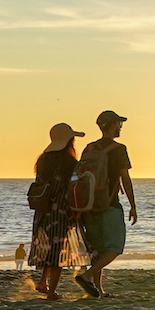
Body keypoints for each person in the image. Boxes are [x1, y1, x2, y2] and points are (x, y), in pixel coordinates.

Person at [73, 110, 138, 298]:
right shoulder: (119, 149)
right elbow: (125, 178)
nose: (120, 128)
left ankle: (98, 289)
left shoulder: (90, 148)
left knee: (98, 249)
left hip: (88, 205)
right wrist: (133, 205)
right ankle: (86, 276)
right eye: (118, 124)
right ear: (110, 126)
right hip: (109, 203)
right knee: (115, 247)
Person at [27, 123, 84, 299]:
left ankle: (42, 282)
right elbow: (73, 188)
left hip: (43, 210)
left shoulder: (43, 160)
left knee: (48, 248)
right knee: (58, 250)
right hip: (61, 210)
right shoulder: (70, 163)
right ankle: (51, 291)